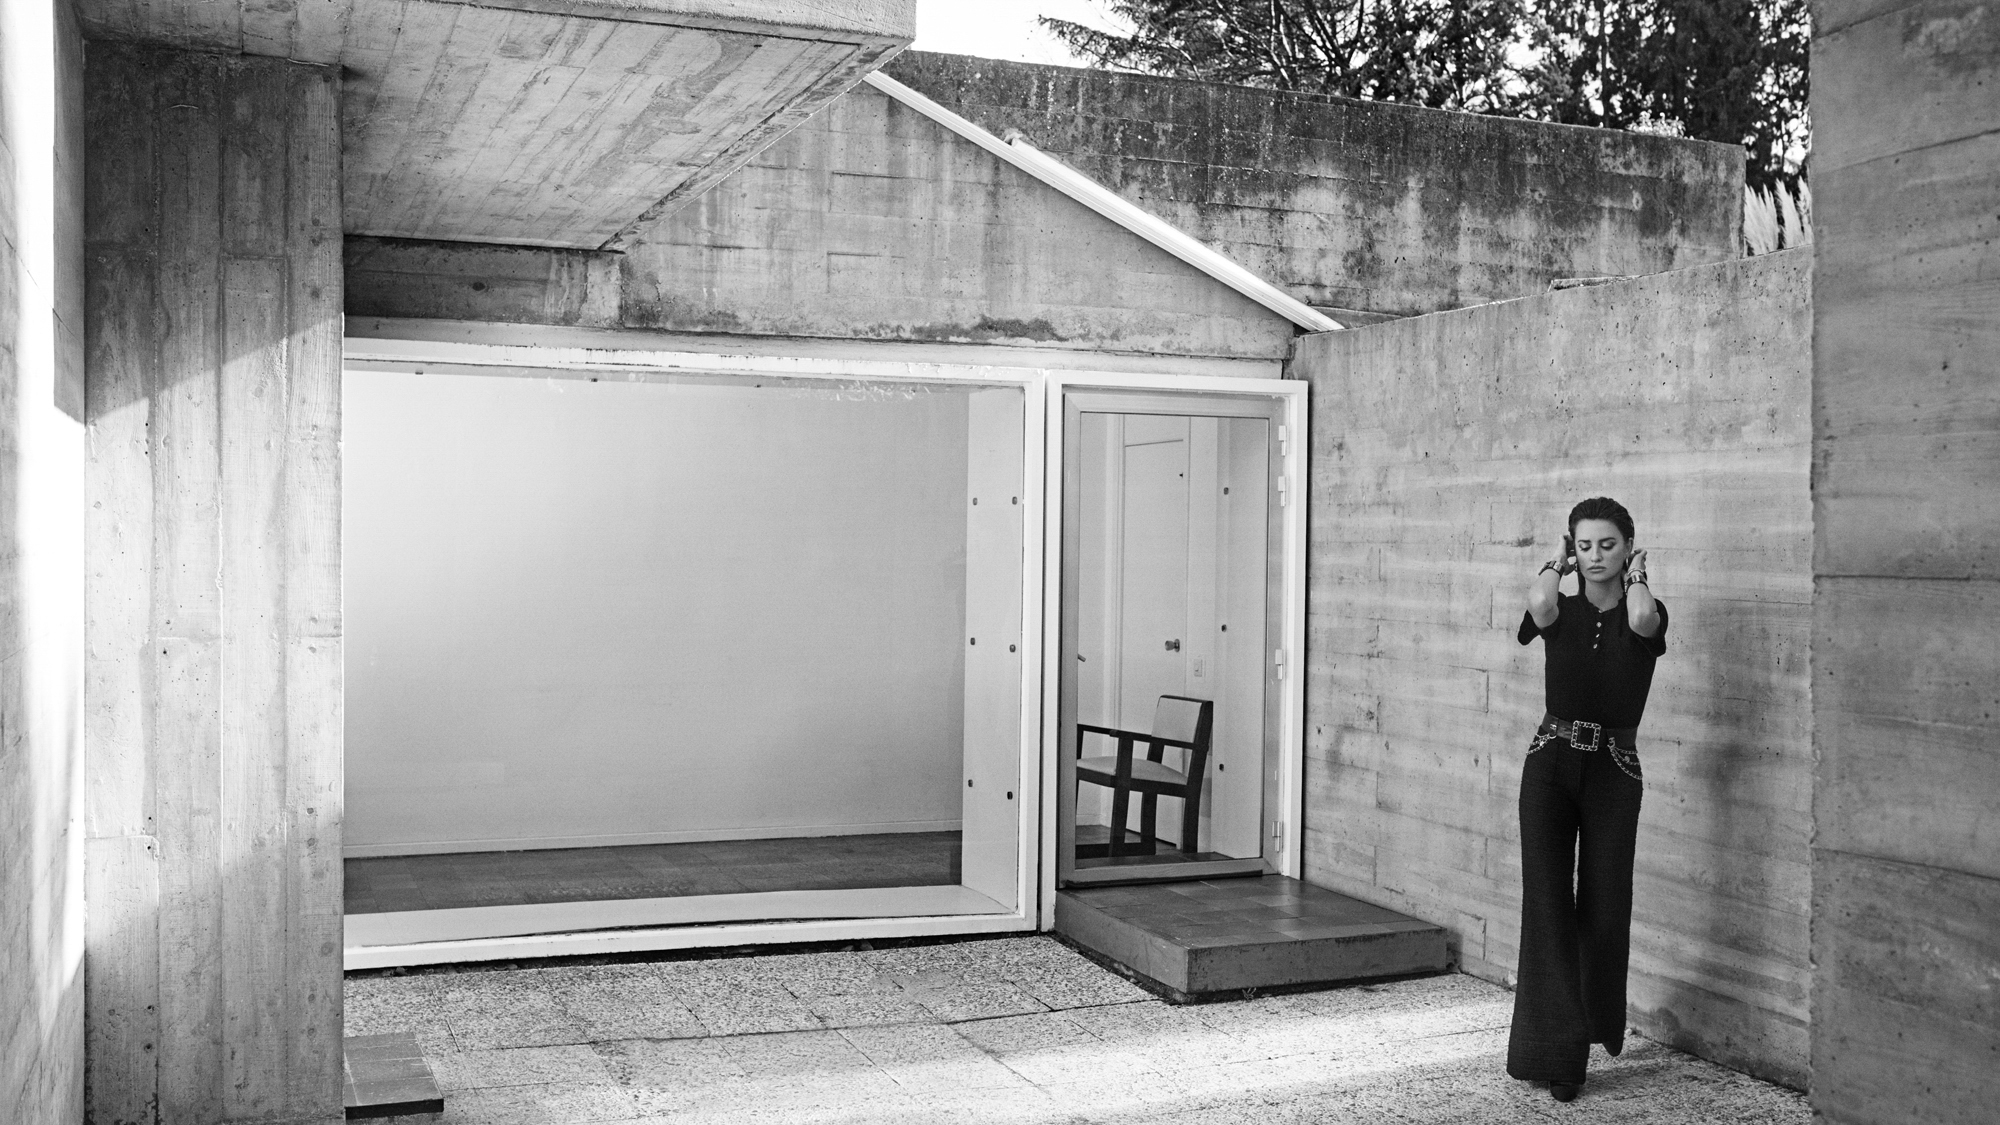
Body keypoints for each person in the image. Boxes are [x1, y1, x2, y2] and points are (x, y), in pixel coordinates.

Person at [1508, 496, 1666, 1102]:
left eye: (1608, 544)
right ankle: (1558, 1057)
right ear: (1570, 550)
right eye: (1583, 545)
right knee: (1547, 905)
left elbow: (1643, 621)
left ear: (1628, 546)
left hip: (1615, 771)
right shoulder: (1560, 611)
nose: (1595, 555)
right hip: (1549, 763)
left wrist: (1640, 576)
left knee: (1604, 900)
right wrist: (1554, 561)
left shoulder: (1645, 609)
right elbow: (1541, 602)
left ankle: (1595, 1028)